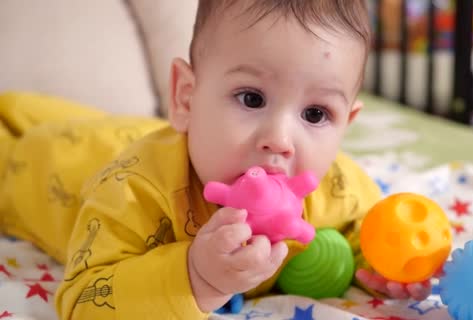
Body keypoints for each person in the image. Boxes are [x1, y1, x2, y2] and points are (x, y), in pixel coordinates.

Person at [0, 1, 431, 319]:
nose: (280, 140)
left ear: (346, 124)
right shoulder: (133, 193)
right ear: (186, 97)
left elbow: (360, 236)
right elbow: (83, 301)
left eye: (316, 114)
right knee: (23, 135)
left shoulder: (336, 186)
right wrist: (194, 277)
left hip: (133, 131)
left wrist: (382, 267)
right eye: (251, 98)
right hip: (53, 165)